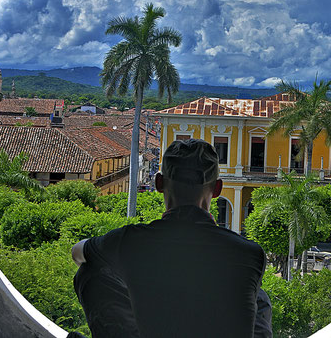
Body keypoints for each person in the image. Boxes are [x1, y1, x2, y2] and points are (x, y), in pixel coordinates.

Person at [72, 139, 272, 338]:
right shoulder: (250, 253)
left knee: (89, 270)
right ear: (217, 189)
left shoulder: (131, 241)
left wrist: (122, 262)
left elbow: (78, 252)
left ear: (159, 183)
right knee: (259, 296)